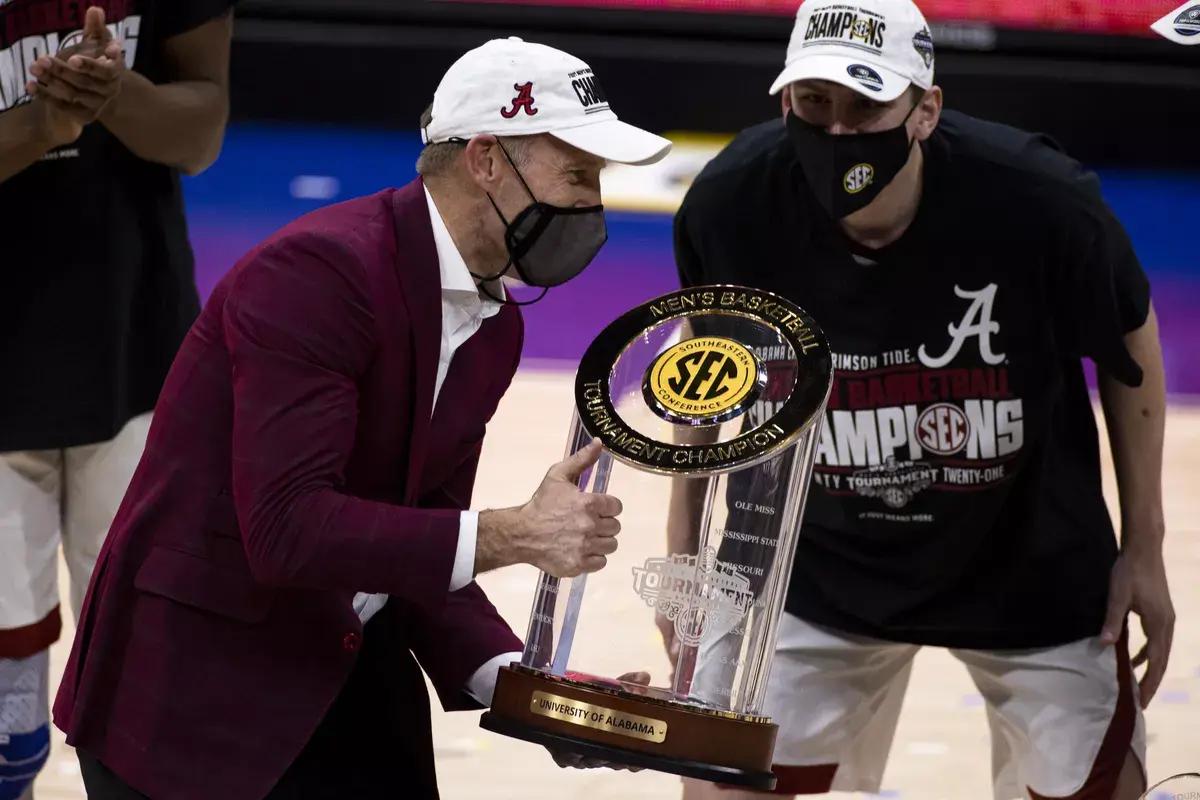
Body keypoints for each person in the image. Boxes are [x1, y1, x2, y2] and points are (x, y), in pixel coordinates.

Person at [51, 36, 671, 800]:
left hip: (341, 660)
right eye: (577, 173)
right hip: (192, 692)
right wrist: (515, 532)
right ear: (485, 160)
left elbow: (419, 544)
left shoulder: (493, 322)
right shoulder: (317, 274)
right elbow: (288, 532)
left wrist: (537, 698)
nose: (590, 203)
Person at [668, 0, 1173, 797]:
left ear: (925, 109)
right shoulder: (731, 204)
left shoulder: (1040, 200)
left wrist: (1145, 545)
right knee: (721, 781)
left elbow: (1131, 341)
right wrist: (687, 560)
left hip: (1028, 568)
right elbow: (702, 376)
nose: (837, 132)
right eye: (815, 104)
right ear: (783, 102)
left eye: (866, 105)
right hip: (813, 569)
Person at [0, 3, 234, 797]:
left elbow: (201, 132)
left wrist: (113, 95)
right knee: (4, 726)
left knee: (149, 685)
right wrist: (42, 122)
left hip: (139, 350)